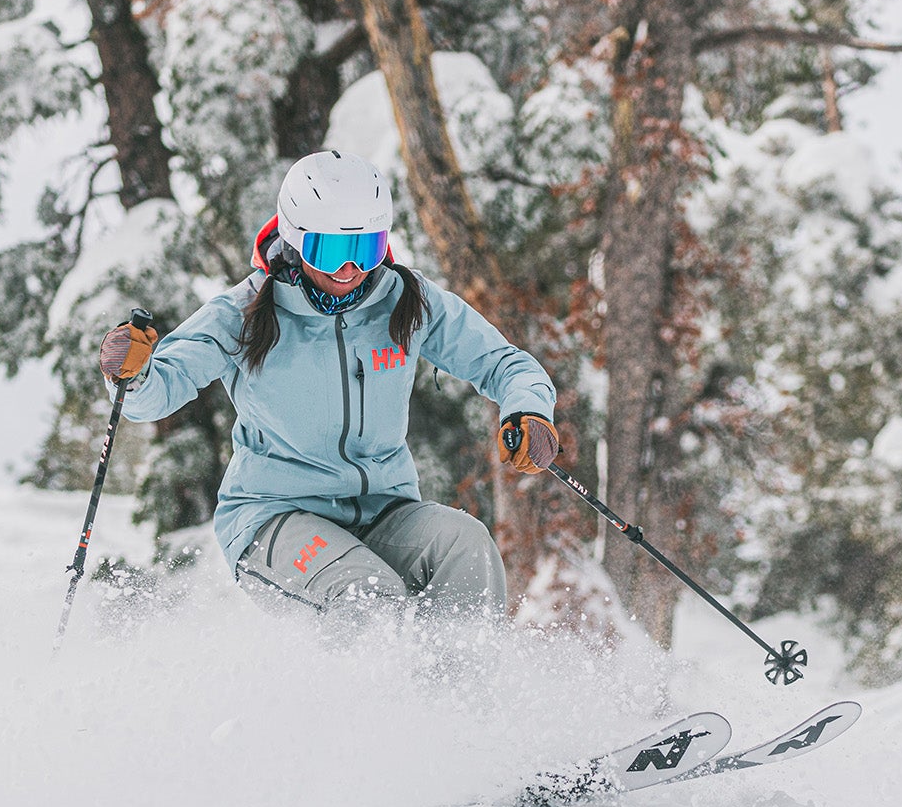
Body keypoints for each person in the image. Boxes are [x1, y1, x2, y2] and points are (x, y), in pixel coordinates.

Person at [97, 150, 560, 618]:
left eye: (364, 250)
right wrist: (131, 376)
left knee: (468, 548)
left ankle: (459, 689)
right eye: (331, 251)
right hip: (276, 516)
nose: (348, 270)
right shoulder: (243, 313)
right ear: (295, 241)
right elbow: (160, 390)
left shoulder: (407, 302)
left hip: (383, 509)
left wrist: (528, 409)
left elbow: (503, 362)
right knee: (367, 597)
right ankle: (353, 692)